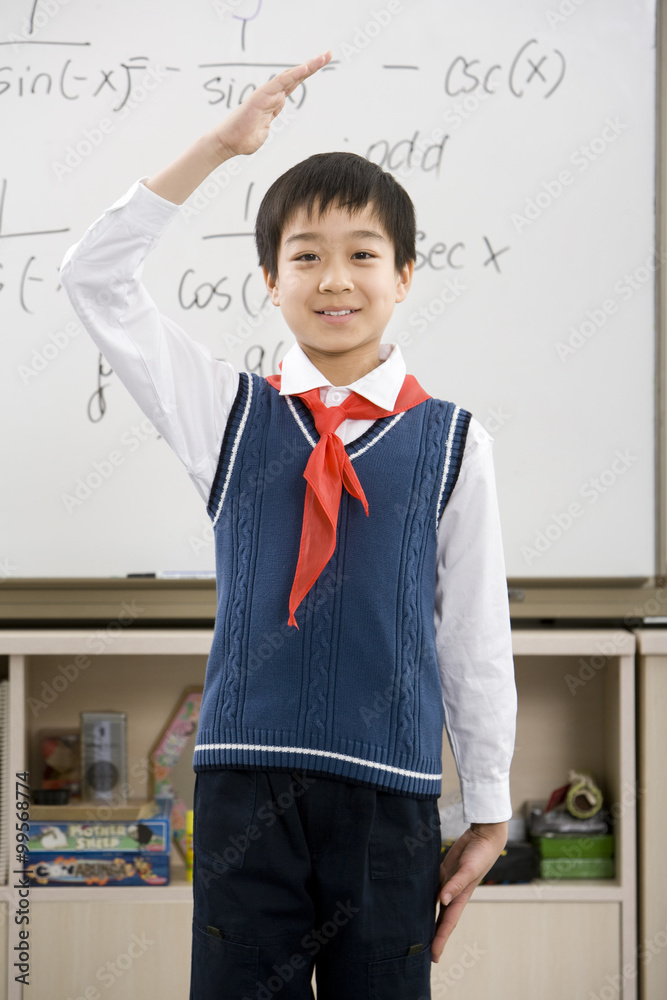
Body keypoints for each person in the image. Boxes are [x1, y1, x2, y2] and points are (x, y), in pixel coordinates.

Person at [60, 50, 517, 1000]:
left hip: (389, 796)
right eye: (305, 255)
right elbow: (94, 279)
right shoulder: (228, 414)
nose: (334, 278)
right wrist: (218, 151)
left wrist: (486, 802)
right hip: (244, 790)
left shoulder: (452, 443)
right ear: (269, 279)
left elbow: (472, 634)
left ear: (404, 276)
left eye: (362, 254)